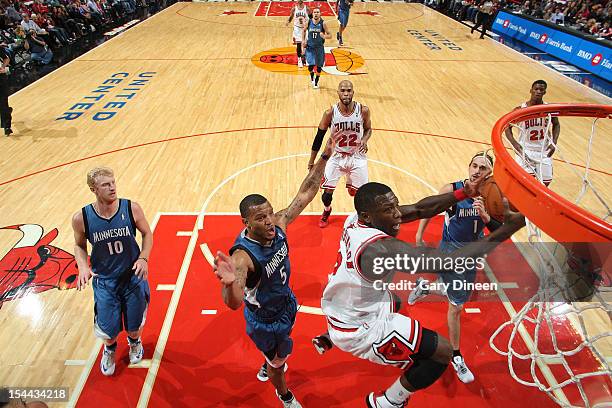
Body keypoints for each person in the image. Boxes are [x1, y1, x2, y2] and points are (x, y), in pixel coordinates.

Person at [318, 181, 525, 407]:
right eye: (389, 210)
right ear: (368, 216)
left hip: (343, 303)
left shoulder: (355, 220)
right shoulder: (378, 250)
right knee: (442, 353)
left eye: (395, 205)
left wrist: (463, 193)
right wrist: (507, 229)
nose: (397, 214)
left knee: (395, 301)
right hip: (359, 328)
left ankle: (332, 334)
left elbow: (418, 209)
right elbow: (450, 262)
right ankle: (389, 401)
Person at [213, 140, 333, 408]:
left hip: (286, 303)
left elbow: (307, 191)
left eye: (269, 213)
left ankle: (269, 363)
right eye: (260, 218)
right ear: (246, 223)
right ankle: (284, 395)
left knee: (277, 355)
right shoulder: (242, 258)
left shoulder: (279, 224)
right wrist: (229, 283)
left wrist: (325, 154)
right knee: (280, 362)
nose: (269, 220)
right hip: (265, 320)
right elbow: (233, 303)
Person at [409, 152, 500, 384]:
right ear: (469, 167)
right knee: (456, 307)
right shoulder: (452, 190)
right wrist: (419, 234)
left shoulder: (492, 197)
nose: (478, 171)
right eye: (475, 165)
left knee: (455, 296)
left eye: (484, 168)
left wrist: (487, 218)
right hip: (449, 253)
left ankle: (424, 288)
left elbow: (501, 230)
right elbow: (428, 209)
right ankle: (457, 356)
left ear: (490, 173)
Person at [72, 167, 153, 376]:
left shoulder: (131, 208)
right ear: (93, 189)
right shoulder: (82, 218)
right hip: (105, 282)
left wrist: (143, 258)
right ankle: (109, 350)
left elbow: (147, 233)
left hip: (132, 277)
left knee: (134, 325)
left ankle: (134, 342)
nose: (112, 187)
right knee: (108, 331)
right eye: (106, 185)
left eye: (113, 182)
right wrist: (82, 266)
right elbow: (79, 246)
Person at [308, 79, 371, 228]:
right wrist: (312, 161)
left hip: (357, 156)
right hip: (337, 156)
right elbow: (319, 137)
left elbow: (368, 129)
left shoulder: (363, 110)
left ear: (353, 92)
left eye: (349, 90)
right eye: (343, 90)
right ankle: (327, 210)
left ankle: (361, 217)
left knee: (360, 195)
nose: (346, 93)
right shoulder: (330, 113)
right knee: (326, 195)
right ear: (338, 93)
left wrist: (365, 139)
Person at [504, 80, 561, 186]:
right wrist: (514, 143)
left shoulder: (549, 109)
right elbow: (507, 127)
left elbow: (556, 124)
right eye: (536, 89)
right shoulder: (520, 109)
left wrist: (554, 142)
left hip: (543, 151)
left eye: (541, 90)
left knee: (545, 184)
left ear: (545, 92)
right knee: (525, 185)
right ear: (531, 90)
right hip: (525, 150)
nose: (538, 92)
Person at [301, 8, 331, 89]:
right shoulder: (309, 22)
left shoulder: (323, 23)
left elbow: (330, 35)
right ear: (313, 14)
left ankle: (316, 81)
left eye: (317, 12)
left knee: (319, 66)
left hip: (319, 48)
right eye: (314, 12)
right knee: (311, 66)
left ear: (320, 14)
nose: (316, 14)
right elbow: (303, 31)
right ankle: (311, 75)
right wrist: (303, 40)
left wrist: (324, 36)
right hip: (310, 48)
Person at [286, 0, 310, 68]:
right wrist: (288, 21)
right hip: (297, 28)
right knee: (299, 44)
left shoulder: (307, 8)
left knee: (306, 44)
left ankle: (305, 58)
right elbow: (291, 17)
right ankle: (299, 60)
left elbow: (311, 18)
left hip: (305, 28)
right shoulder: (294, 9)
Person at [0, 46, 12, 136]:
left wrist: (3, 67)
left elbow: (6, 58)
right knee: (3, 105)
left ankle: (7, 127)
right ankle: (7, 111)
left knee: (3, 101)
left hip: (1, 77)